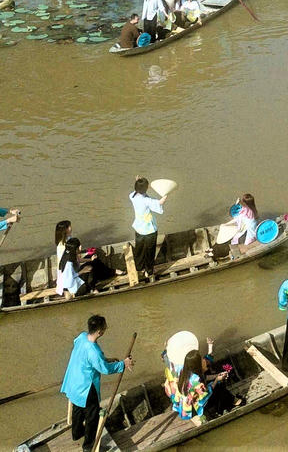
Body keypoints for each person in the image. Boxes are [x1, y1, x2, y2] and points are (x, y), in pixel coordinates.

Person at [61, 315, 131, 452]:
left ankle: (76, 433)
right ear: (100, 331)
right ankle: (89, 446)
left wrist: (107, 359)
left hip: (73, 381)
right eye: (104, 328)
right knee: (92, 416)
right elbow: (104, 369)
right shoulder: (94, 350)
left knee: (77, 409)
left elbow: (94, 359)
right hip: (86, 388)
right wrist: (123, 364)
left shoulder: (81, 337)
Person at [165, 343, 239, 422]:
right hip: (193, 409)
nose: (203, 360)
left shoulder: (184, 372)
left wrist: (216, 376)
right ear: (197, 364)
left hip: (184, 407)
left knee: (215, 384)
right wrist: (217, 380)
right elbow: (205, 395)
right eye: (201, 359)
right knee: (218, 386)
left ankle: (233, 401)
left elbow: (204, 378)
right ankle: (231, 403)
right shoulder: (196, 380)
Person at [130, 176, 170, 282]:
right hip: (149, 230)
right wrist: (166, 195)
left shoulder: (132, 196)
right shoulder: (146, 200)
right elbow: (159, 203)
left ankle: (139, 268)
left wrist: (137, 181)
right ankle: (149, 271)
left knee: (139, 249)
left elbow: (137, 191)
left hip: (138, 228)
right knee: (149, 251)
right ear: (145, 189)